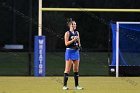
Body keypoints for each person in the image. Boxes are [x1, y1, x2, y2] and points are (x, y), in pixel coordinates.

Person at [63, 18, 83, 90]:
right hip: (69, 51)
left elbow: (79, 41)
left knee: (76, 69)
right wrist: (73, 40)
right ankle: (64, 86)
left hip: (76, 51)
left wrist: (79, 46)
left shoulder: (77, 33)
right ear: (70, 25)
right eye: (73, 24)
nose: (75, 25)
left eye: (75, 24)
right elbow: (66, 43)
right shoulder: (67, 33)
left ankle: (77, 86)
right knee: (67, 70)